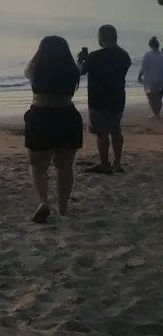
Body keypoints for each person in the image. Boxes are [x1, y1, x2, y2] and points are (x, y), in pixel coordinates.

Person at [23, 35, 83, 223]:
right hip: (67, 115)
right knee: (65, 167)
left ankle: (43, 201)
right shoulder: (73, 71)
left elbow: (28, 66)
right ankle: (63, 208)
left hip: (41, 116)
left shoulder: (35, 70)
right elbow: (79, 67)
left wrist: (40, 51)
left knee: (37, 166)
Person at [78, 24, 133, 174]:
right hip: (118, 98)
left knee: (102, 134)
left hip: (99, 99)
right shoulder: (124, 55)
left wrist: (81, 60)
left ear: (101, 38)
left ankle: (104, 164)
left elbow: (80, 71)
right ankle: (117, 163)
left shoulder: (95, 56)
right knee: (116, 131)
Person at [139, 36, 162, 119]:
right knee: (159, 98)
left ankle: (156, 114)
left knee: (151, 98)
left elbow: (143, 68)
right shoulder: (162, 55)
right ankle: (157, 114)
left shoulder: (147, 55)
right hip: (161, 81)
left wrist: (139, 76)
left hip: (151, 81)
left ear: (150, 45)